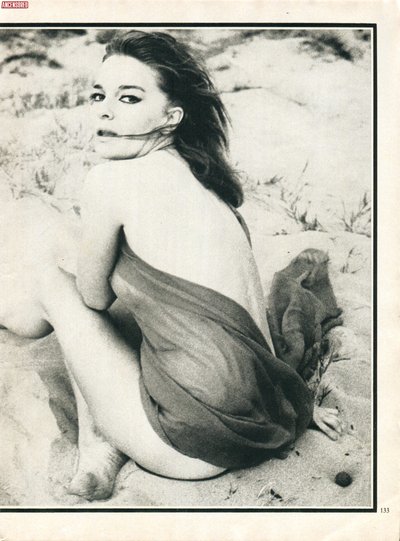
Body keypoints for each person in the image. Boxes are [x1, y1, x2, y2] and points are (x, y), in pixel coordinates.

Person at [1, 31, 342, 501]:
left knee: (50, 280)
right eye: (98, 95)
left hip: (186, 445)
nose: (104, 111)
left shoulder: (109, 181)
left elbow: (93, 300)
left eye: (129, 98)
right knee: (89, 272)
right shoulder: (206, 180)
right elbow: (248, 320)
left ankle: (96, 443)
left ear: (170, 116)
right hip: (263, 420)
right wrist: (295, 406)